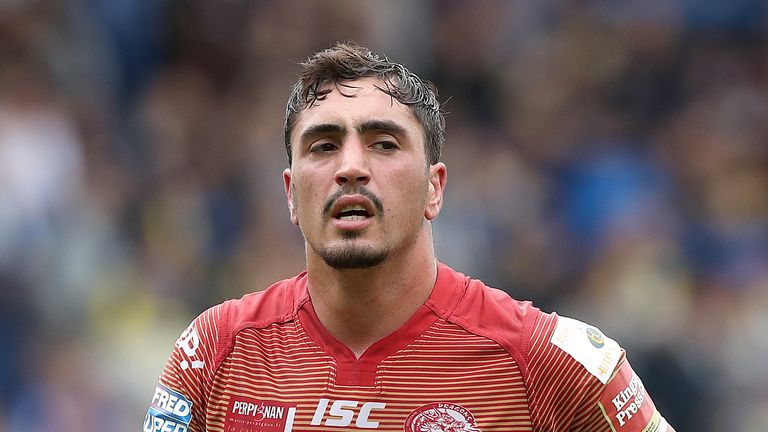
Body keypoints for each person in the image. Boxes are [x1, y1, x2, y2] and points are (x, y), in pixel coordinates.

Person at [144, 42, 675, 432]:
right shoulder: (214, 352)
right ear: (290, 193)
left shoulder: (552, 364)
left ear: (434, 189)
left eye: (384, 144)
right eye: (323, 146)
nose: (351, 167)